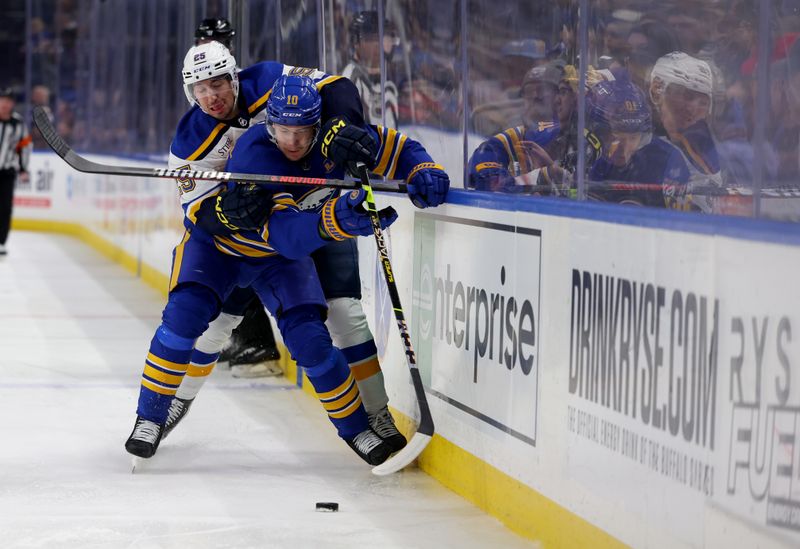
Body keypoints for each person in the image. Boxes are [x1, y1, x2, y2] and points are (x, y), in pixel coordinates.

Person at [192, 18, 282, 379]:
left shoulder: (242, 80)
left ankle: (258, 341)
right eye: (205, 38)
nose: (210, 43)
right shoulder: (203, 84)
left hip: (266, 184)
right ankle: (247, 336)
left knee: (250, 261)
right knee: (228, 256)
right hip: (231, 186)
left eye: (219, 39)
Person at [585, 76, 691, 209]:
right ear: (598, 134)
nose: (624, 150)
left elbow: (682, 222)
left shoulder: (666, 160)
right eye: (616, 138)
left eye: (633, 138)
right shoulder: (593, 157)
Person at [649, 51, 721, 212]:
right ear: (656, 89)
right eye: (686, 96)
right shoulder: (647, 149)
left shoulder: (709, 147)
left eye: (702, 101)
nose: (693, 109)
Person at [342, 10, 399, 127]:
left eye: (382, 38)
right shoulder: (351, 80)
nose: (379, 44)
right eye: (372, 38)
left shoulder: (385, 82)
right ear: (356, 42)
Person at [0, 88, 31, 256]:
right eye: (3, 100)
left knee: (5, 207)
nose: (5, 104)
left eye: (8, 101)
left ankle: (1, 241)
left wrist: (24, 168)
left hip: (7, 172)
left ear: (13, 104)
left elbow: (24, 147)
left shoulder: (18, 124)